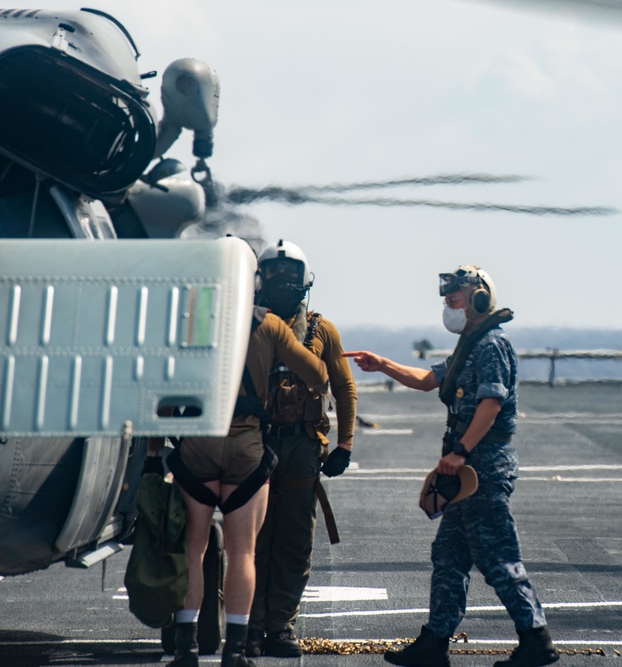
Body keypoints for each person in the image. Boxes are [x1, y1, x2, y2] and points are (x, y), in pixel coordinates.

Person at [344, 265, 560, 667]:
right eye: (446, 298)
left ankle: (536, 639)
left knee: (497, 555)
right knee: (449, 557)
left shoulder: (492, 344)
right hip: (465, 470)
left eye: (455, 298)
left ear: (479, 300)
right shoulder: (470, 345)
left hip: (484, 468)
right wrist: (383, 364)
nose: (448, 305)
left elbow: (491, 404)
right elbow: (428, 379)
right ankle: (435, 642)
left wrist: (460, 450)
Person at [161, 305, 328, 667]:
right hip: (246, 446)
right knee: (243, 553)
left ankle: (186, 648)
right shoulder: (268, 324)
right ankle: (235, 651)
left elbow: (162, 386)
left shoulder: (191, 316)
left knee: (194, 550)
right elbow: (317, 375)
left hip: (199, 441)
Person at [247, 239, 358, 658]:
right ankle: (250, 626)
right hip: (253, 445)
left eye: (290, 274)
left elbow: (344, 388)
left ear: (304, 280)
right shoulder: (247, 324)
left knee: (293, 541)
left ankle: (281, 627)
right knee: (252, 540)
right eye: (274, 273)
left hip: (301, 448)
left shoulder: (320, 330)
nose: (281, 281)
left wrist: (344, 444)